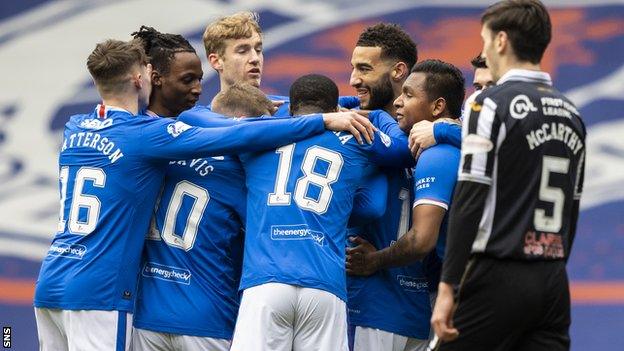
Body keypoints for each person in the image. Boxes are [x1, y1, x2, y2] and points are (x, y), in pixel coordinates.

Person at [33, 38, 375, 351]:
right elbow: (238, 136)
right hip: (105, 292)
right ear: (140, 78)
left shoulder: (76, 126)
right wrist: (324, 120)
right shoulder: (152, 137)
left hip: (51, 283)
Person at [431, 1, 586, 350]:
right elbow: (571, 210)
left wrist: (448, 286)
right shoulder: (571, 112)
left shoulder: (487, 104)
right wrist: (554, 269)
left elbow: (470, 198)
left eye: (485, 40)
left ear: (501, 41)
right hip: (552, 280)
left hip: (497, 271)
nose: (484, 48)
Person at [231, 74, 393, 351]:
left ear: (292, 108)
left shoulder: (256, 137)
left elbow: (201, 118)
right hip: (324, 283)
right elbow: (375, 204)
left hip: (266, 281)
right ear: (334, 112)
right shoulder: (355, 141)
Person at [346, 24, 462, 351]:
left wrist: (375, 261)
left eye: (364, 69)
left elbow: (417, 235)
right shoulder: (429, 140)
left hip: (381, 303)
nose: (354, 79)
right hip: (420, 304)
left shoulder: (432, 148)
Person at [202, 11, 359, 116]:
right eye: (242, 51)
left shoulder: (290, 107)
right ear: (216, 61)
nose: (255, 58)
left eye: (258, 49)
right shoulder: (201, 121)